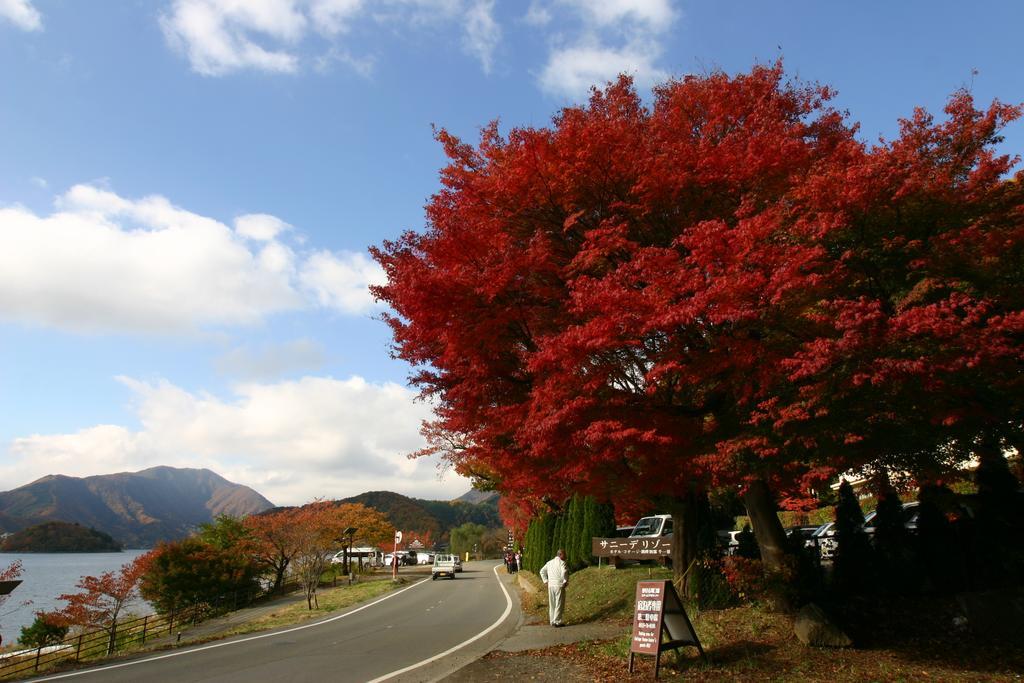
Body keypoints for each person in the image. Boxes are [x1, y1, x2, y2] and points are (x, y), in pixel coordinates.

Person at [539, 548, 568, 627]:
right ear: (560, 554)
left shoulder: (549, 563)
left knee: (552, 603)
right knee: (559, 603)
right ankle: (557, 621)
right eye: (564, 554)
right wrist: (564, 581)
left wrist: (545, 581)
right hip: (559, 585)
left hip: (551, 585)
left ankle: (552, 620)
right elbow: (564, 572)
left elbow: (542, 571)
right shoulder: (562, 563)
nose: (566, 556)